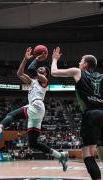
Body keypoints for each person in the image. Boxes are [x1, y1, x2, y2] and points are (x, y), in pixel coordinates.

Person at [0, 47, 68, 171]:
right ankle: (60, 155)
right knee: (33, 143)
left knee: (11, 115)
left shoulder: (44, 80)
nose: (40, 68)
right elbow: (19, 73)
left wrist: (37, 58)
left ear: (46, 73)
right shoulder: (32, 81)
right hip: (36, 110)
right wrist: (25, 59)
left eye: (43, 68)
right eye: (40, 67)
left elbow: (31, 69)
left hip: (36, 105)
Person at [51, 47, 103, 180]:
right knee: (100, 152)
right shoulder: (102, 77)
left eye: (81, 60)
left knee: (87, 154)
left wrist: (54, 59)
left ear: (85, 64)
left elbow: (54, 72)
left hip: (91, 114)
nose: (79, 62)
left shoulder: (78, 71)